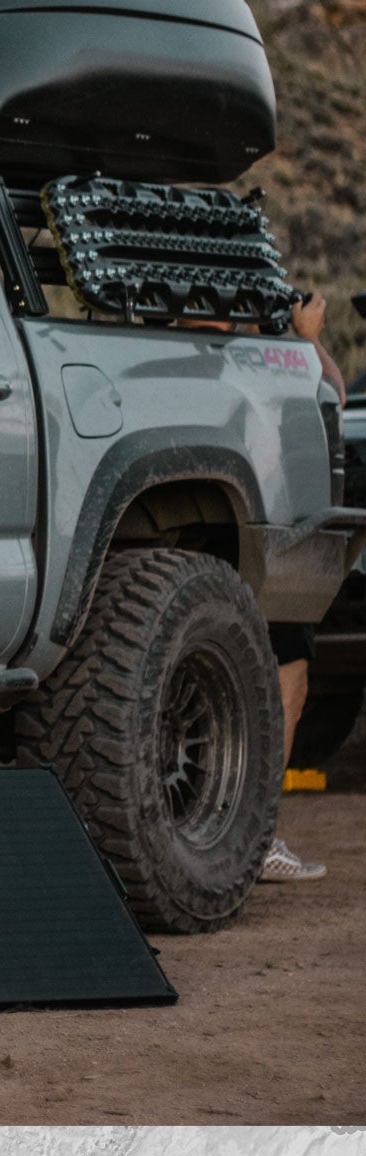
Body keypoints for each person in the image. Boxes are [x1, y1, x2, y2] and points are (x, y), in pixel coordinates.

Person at [262, 290, 342, 883]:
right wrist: (308, 336)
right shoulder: (276, 360)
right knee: (287, 686)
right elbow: (333, 394)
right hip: (279, 540)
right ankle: (257, 835)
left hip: (258, 538)